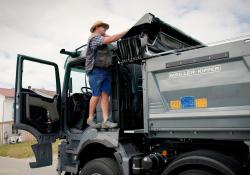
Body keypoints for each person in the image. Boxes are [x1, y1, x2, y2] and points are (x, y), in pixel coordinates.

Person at [85, 20, 127, 128]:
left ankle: (105, 120)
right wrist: (126, 32)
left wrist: (110, 35)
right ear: (97, 28)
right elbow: (111, 39)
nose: (105, 29)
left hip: (106, 70)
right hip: (96, 70)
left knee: (105, 95)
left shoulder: (102, 38)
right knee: (96, 94)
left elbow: (111, 39)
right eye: (103, 27)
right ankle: (90, 118)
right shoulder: (94, 38)